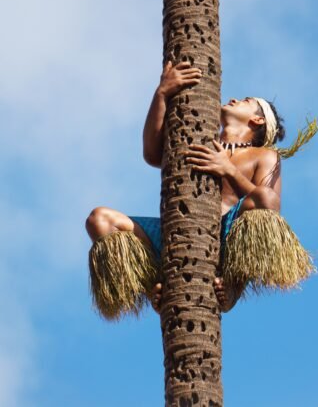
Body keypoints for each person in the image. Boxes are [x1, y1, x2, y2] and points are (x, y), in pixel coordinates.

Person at [86, 61, 288, 314]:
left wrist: (228, 169)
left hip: (228, 235)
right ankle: (157, 286)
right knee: (99, 219)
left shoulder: (263, 155)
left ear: (258, 119)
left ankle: (233, 286)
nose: (235, 99)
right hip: (176, 235)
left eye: (247, 100)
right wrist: (162, 93)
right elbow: (152, 154)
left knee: (264, 198)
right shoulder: (197, 138)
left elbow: (269, 205)